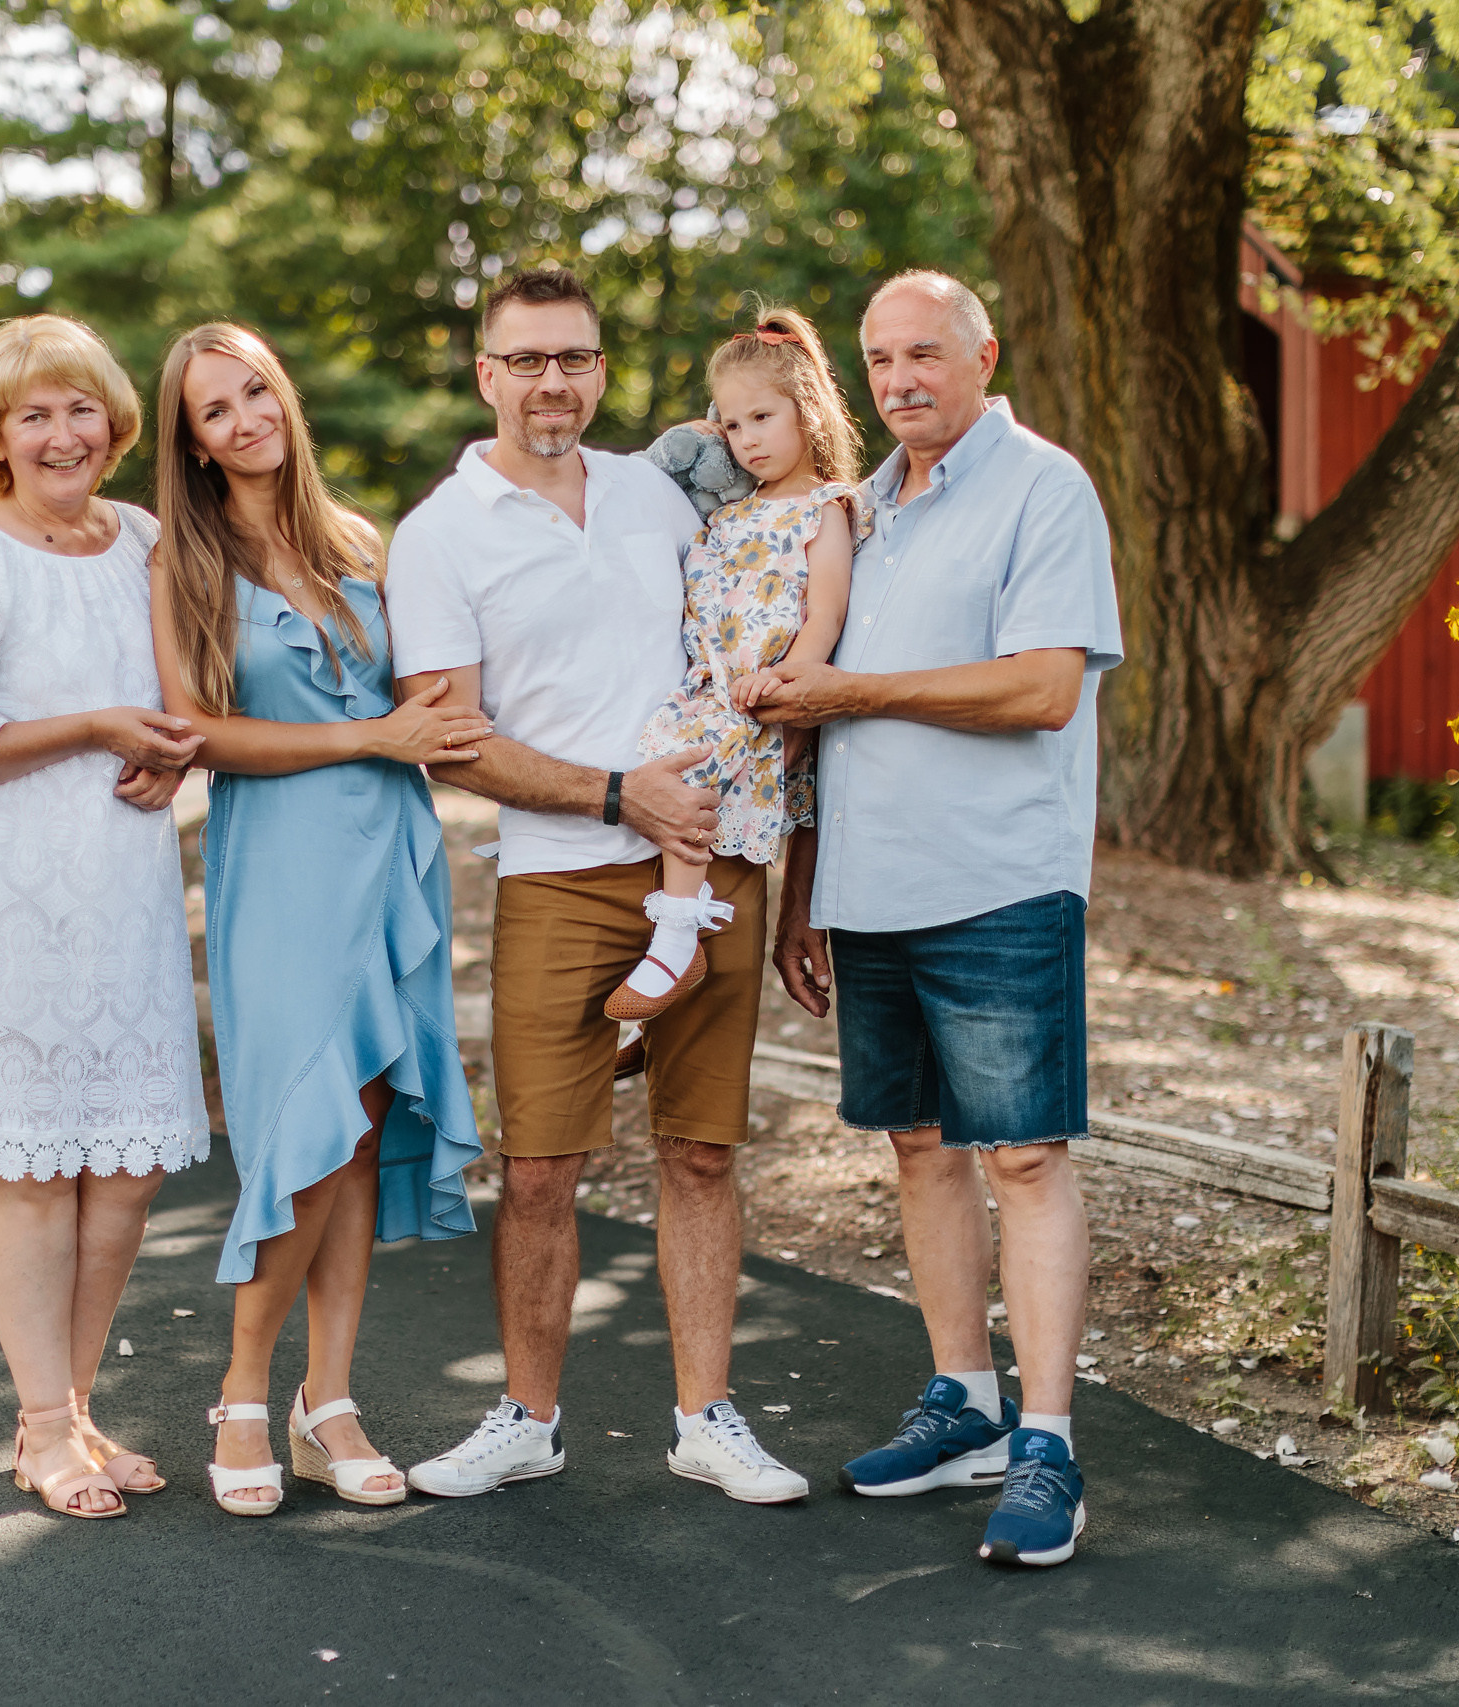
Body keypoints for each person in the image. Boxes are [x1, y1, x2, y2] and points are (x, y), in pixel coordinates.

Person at [388, 264, 809, 1504]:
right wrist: (620, 796)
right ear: (486, 375)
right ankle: (527, 1415)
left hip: (717, 865)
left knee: (699, 1154)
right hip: (560, 876)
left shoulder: (654, 494)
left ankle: (706, 1417)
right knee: (538, 1169)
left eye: (572, 357)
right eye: (525, 360)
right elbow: (451, 736)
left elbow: (778, 554)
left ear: (600, 369)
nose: (551, 381)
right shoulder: (439, 534)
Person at [759, 270, 1121, 1566]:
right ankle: (962, 1398)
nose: (901, 379)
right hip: (871, 887)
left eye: (925, 353)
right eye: (880, 359)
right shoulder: (862, 512)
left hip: (1000, 880)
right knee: (918, 1145)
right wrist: (805, 890)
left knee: (1022, 1154)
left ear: (984, 354)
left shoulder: (1044, 486)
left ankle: (1047, 1441)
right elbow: (805, 710)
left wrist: (853, 689)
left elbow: (1038, 688)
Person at [147, 323, 492, 1517]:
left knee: (360, 1122)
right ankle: (245, 1394)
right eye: (213, 412)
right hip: (284, 863)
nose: (245, 420)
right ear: (189, 445)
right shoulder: (182, 565)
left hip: (392, 853)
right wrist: (367, 736)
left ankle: (327, 1400)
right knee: (309, 1117)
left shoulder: (356, 541)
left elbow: (430, 699)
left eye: (254, 393)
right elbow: (201, 734)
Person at [0, 314, 212, 1521]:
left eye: (80, 409)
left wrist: (172, 753)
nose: (62, 433)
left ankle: (72, 1409)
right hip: (4, 900)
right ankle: (40, 1425)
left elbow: (181, 692)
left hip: (117, 888)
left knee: (122, 1169)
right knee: (36, 1169)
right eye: (34, 414)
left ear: (114, 423)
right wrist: (93, 726)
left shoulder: (142, 539)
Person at [609, 307, 859, 1022]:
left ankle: (676, 937)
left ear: (806, 412)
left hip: (758, 699)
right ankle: (651, 958)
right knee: (644, 775)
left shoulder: (824, 507)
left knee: (682, 773)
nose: (747, 440)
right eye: (731, 425)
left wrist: (782, 677)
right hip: (703, 685)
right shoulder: (725, 514)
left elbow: (826, 615)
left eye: (761, 418)